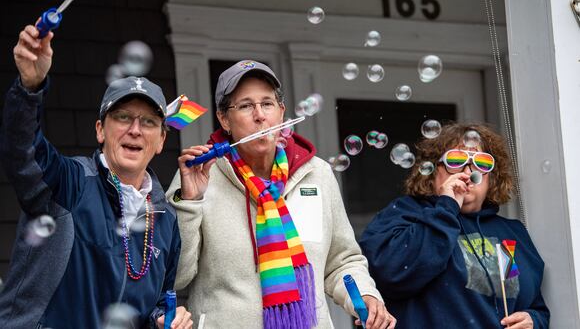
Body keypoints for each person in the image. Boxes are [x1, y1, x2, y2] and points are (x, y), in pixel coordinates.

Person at [166, 60, 396, 329]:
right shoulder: (198, 176)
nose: (259, 115)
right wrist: (191, 202)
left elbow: (341, 261)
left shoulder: (317, 174)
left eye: (267, 103)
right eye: (245, 106)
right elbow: (177, 277)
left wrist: (367, 296)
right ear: (224, 119)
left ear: (281, 112)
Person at [0, 24, 192, 328]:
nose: (135, 130)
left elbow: (156, 302)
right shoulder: (69, 182)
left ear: (161, 141)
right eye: (123, 117)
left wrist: (163, 319)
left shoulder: (165, 218)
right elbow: (23, 151)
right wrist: (30, 87)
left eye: (148, 122)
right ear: (100, 130)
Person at [360, 123, 550, 328]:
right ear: (432, 171)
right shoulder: (405, 214)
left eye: (481, 163)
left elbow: (533, 304)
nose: (468, 170)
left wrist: (534, 321)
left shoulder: (511, 232)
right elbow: (392, 273)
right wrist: (447, 207)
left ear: (492, 176)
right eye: (456, 160)